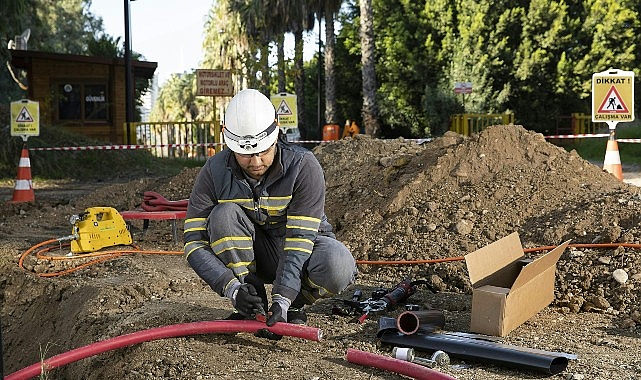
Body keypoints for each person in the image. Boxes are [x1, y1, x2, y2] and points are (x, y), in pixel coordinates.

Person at [183, 88, 357, 329]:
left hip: (302, 252)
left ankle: (296, 303)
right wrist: (233, 289)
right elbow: (193, 242)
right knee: (223, 216)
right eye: (245, 154)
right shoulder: (214, 171)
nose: (256, 162)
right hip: (257, 254)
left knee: (338, 265)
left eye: (264, 150)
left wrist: (284, 298)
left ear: (276, 133)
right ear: (228, 140)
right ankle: (251, 300)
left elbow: (299, 239)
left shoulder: (303, 166)